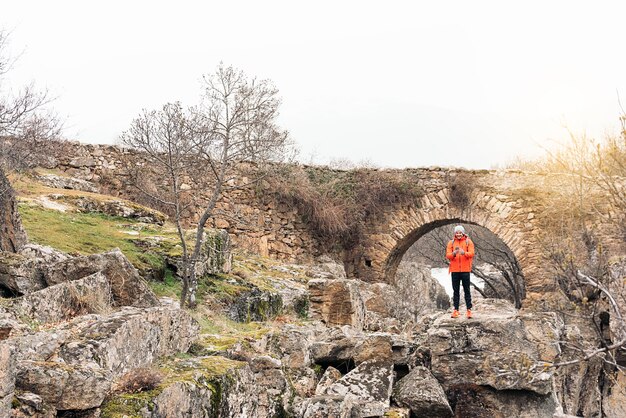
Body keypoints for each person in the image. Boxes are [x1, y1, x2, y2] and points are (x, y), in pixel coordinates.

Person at [446, 225, 475, 318]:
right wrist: (454, 253)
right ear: (455, 233)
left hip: (465, 270)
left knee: (467, 290)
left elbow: (472, 253)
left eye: (460, 232)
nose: (458, 234)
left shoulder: (468, 242)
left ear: (463, 233)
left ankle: (469, 310)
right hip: (454, 270)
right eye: (457, 232)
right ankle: (456, 310)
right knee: (456, 291)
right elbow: (448, 255)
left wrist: (464, 253)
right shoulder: (451, 243)